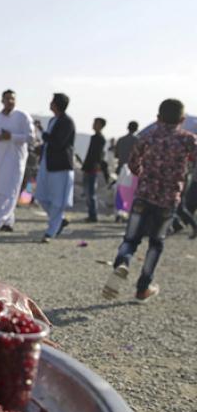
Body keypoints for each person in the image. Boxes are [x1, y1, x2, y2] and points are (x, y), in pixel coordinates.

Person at [102, 99, 197, 302]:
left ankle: (123, 263)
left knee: (130, 239)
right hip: (168, 200)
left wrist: (144, 175)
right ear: (182, 119)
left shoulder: (147, 136)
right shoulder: (188, 139)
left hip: (143, 196)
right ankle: (142, 288)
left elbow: (133, 163)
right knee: (156, 243)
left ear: (158, 117)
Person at [0, 90, 34, 234]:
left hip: (15, 159)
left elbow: (30, 137)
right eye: (7, 98)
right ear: (2, 100)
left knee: (10, 191)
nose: (10, 101)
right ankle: (8, 222)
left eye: (12, 98)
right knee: (0, 191)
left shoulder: (23, 116)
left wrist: (11, 136)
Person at [35, 93, 75, 242]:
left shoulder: (67, 122)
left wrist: (44, 135)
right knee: (41, 196)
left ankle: (51, 232)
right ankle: (60, 220)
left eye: (52, 101)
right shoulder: (53, 120)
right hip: (47, 164)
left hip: (60, 166)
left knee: (57, 201)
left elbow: (58, 142)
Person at [82, 117, 106, 222]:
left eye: (96, 123)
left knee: (91, 193)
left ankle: (93, 214)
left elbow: (98, 154)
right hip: (88, 166)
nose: (93, 125)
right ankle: (91, 213)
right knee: (87, 192)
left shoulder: (100, 139)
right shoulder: (94, 137)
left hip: (92, 168)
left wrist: (96, 165)